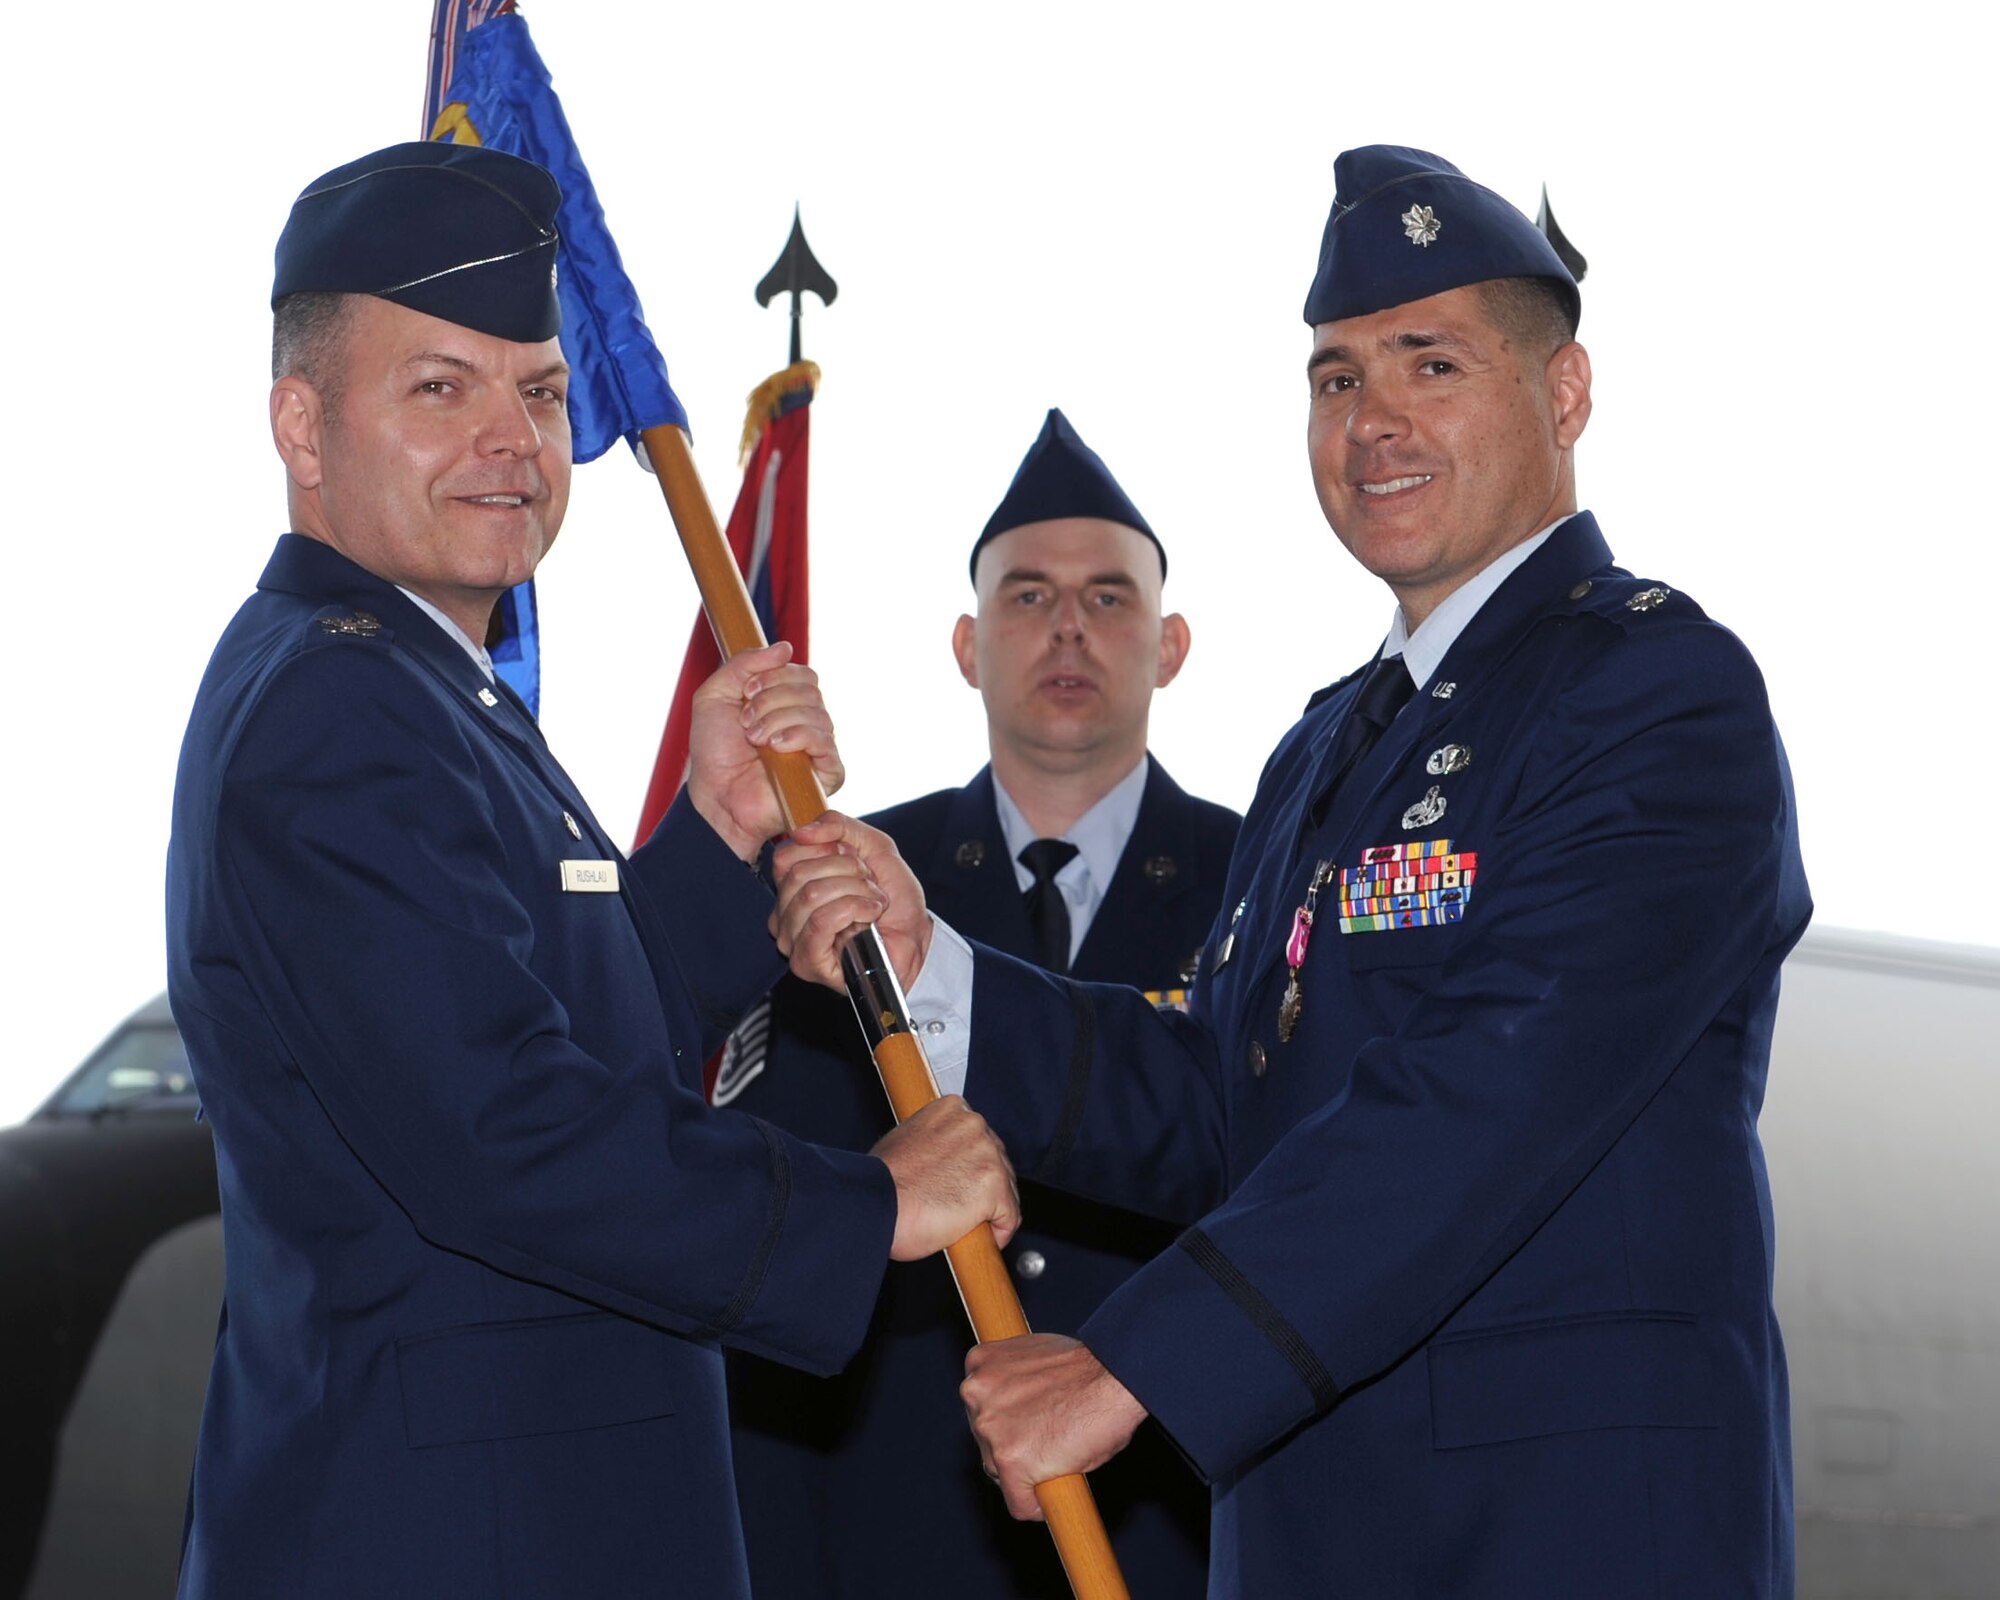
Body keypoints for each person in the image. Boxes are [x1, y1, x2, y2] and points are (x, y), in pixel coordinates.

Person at [777, 144, 1812, 1597]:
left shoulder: (1657, 693)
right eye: (1338, 380)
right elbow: (1222, 1088)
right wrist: (925, 960)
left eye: (1429, 365)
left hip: (1558, 1535)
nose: (1373, 422)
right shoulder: (1328, 749)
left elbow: (1493, 1090)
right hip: (1316, 1536)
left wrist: (1136, 1363)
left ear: (1563, 394)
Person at [163, 141, 1017, 1600]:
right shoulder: (338, 709)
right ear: (300, 427)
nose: (513, 438)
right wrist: (861, 1206)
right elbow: (499, 1127)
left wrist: (715, 835)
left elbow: (562, 1033)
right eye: (442, 386)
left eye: (542, 391)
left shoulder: (424, 695)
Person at [726, 410, 1234, 1597]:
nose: (1067, 626)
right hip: (897, 1530)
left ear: (1169, 645)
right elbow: (779, 1222)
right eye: (1027, 597)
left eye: (1109, 599)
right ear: (965, 644)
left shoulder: (1261, 883)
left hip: (1171, 1528)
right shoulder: (841, 881)